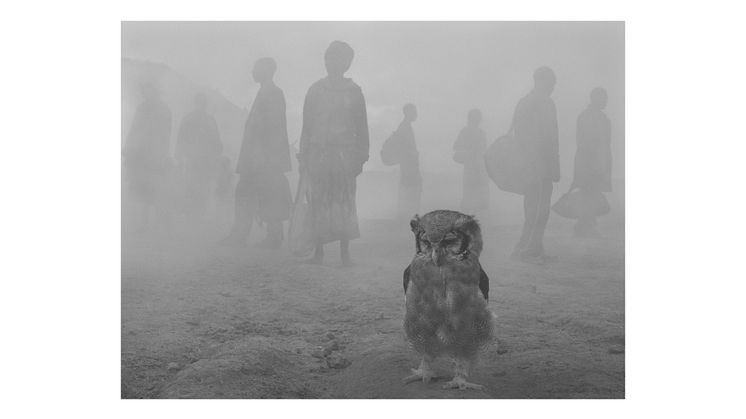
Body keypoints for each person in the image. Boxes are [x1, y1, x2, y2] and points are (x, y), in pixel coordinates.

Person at [298, 41, 369, 266]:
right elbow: (306, 126)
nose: (331, 62)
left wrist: (361, 157)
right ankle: (318, 252)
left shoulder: (354, 92)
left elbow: (362, 128)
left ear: (346, 63)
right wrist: (304, 156)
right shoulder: (315, 90)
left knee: (344, 202)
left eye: (337, 58)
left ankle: (344, 253)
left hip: (344, 157)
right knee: (318, 201)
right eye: (328, 58)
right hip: (318, 155)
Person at [219, 57, 292, 248]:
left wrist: (263, 156)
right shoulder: (265, 92)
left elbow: (273, 127)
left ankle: (266, 236)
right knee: (255, 193)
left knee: (262, 193)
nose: (252, 72)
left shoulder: (274, 93)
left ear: (267, 70)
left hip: (264, 158)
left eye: (256, 68)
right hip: (257, 156)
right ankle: (249, 234)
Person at [510, 66, 560, 263]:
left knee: (542, 207)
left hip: (546, 166)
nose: (553, 87)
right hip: (533, 166)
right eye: (551, 82)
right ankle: (525, 249)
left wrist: (553, 166)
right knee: (535, 208)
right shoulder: (528, 103)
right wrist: (532, 161)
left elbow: (553, 137)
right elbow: (522, 136)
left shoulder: (549, 103)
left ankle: (534, 247)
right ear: (539, 81)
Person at [123, 82, 172, 232]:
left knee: (156, 191)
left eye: (147, 90)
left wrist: (161, 154)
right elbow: (135, 129)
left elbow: (164, 134)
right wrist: (129, 148)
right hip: (142, 156)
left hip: (155, 157)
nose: (144, 94)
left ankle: (158, 225)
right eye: (143, 91)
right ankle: (142, 224)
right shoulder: (142, 108)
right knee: (142, 191)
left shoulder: (162, 109)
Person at [570, 87, 612, 237]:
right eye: (603, 98)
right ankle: (585, 227)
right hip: (589, 165)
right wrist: (594, 165)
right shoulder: (588, 117)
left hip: (596, 165)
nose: (605, 101)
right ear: (595, 98)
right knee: (588, 194)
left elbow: (605, 145)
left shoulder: (600, 118)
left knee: (591, 195)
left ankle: (586, 226)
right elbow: (584, 143)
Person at [175, 93, 223, 222]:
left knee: (199, 189)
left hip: (201, 162)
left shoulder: (196, 119)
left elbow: (217, 143)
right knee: (195, 188)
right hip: (196, 161)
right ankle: (194, 216)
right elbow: (181, 139)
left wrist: (179, 156)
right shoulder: (204, 120)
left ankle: (195, 217)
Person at [453, 108, 489, 216]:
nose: (477, 121)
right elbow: (456, 146)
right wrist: (470, 150)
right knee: (470, 195)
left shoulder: (479, 133)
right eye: (476, 118)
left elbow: (484, 151)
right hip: (472, 168)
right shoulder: (466, 132)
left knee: (476, 195)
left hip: (478, 168)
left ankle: (472, 217)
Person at [393, 103, 422, 219]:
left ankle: (406, 215)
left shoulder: (405, 126)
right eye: (414, 112)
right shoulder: (404, 127)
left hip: (408, 166)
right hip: (408, 166)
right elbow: (405, 148)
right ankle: (407, 216)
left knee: (408, 189)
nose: (416, 114)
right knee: (410, 189)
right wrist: (413, 154)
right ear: (408, 113)